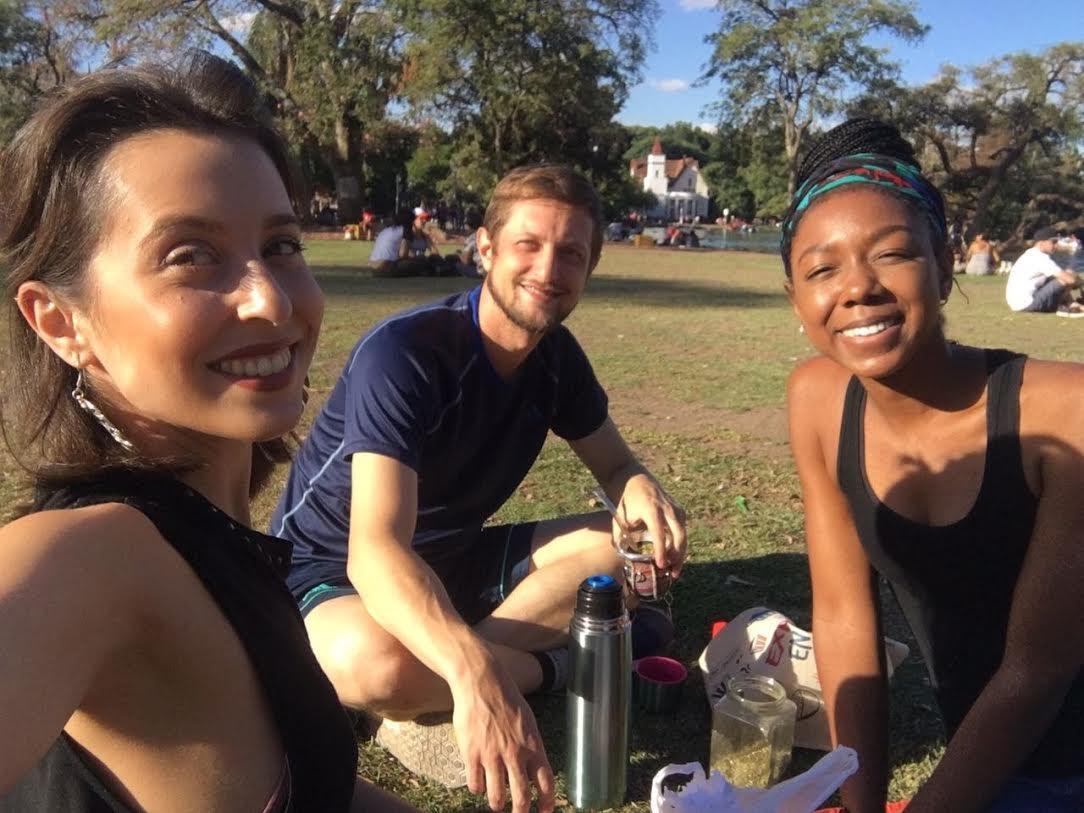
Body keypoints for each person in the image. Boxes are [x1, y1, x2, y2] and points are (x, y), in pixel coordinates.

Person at [0, 53, 414, 812]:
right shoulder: (95, 556)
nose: (269, 300)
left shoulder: (208, 531)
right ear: (61, 322)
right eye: (189, 255)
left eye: (281, 244)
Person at [272, 163, 687, 812]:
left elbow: (615, 467)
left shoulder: (556, 360)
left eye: (571, 253)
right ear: (485, 249)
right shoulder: (407, 355)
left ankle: (442, 678)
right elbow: (374, 553)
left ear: (588, 270)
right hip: (329, 571)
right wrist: (474, 669)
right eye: (529, 244)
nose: (549, 268)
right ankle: (556, 665)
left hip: (451, 558)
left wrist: (641, 491)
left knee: (618, 555)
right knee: (370, 663)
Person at [783, 118, 1084, 812]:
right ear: (797, 301)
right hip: (991, 758)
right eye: (822, 268)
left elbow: (1039, 669)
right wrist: (857, 799)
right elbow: (842, 618)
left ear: (944, 265)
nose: (857, 287)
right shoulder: (818, 402)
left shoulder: (1061, 412)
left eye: (891, 254)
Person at [1005, 226, 1083, 316]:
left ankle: (1072, 304)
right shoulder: (1040, 258)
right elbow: (1069, 279)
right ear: (1041, 243)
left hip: (1018, 304)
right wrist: (1080, 283)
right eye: (1053, 242)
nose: (1056, 245)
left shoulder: (1031, 254)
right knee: (1067, 277)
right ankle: (1070, 305)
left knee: (1059, 277)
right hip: (1028, 304)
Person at [369, 208, 449, 277]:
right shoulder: (406, 231)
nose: (424, 221)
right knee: (421, 261)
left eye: (426, 218)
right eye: (421, 218)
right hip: (386, 267)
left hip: (373, 269)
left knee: (419, 261)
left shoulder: (387, 230)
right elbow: (403, 255)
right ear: (412, 221)